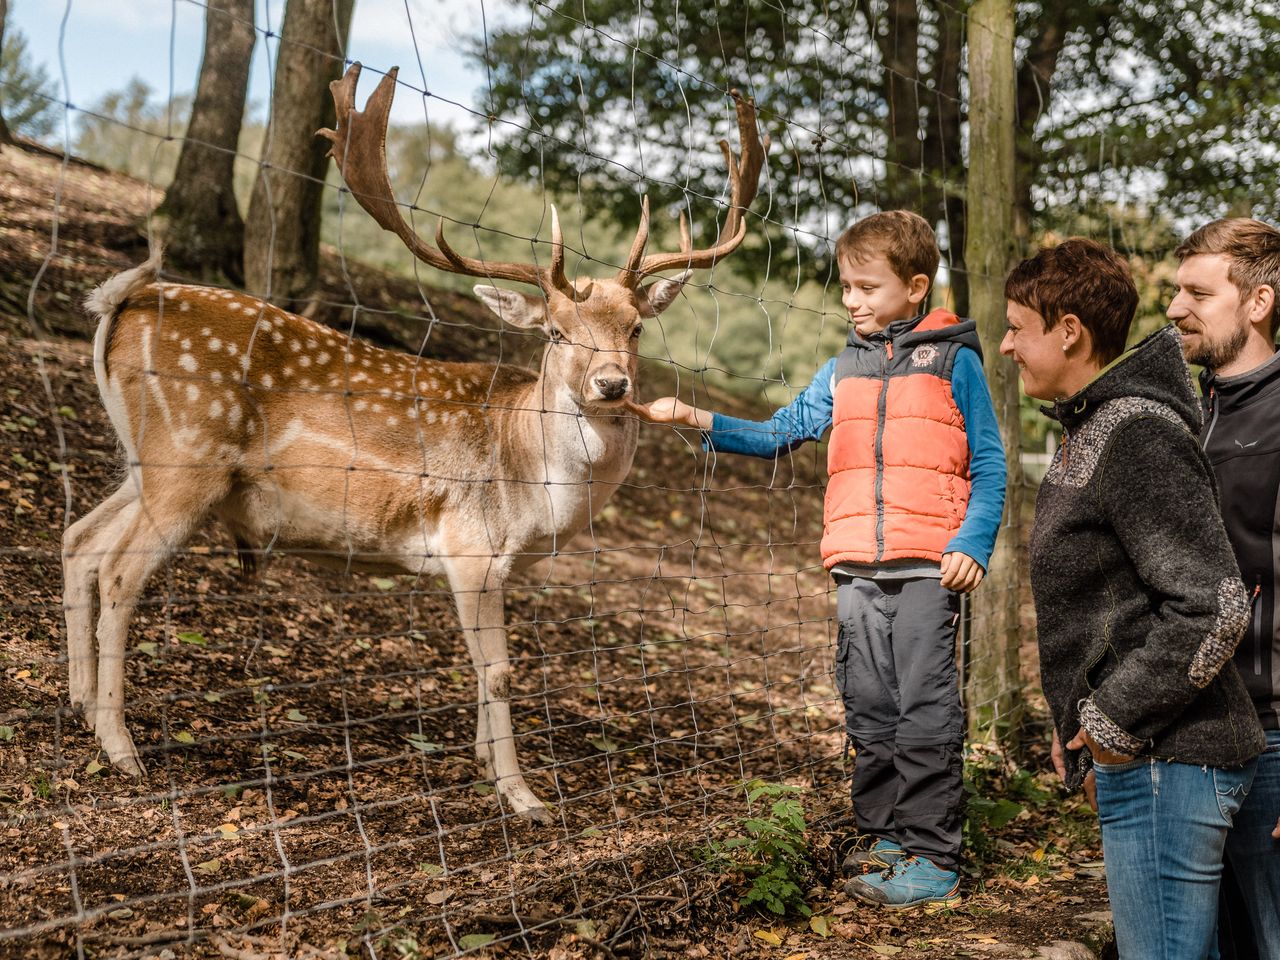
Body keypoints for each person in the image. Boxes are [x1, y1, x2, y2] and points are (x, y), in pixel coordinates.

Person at [628, 210, 1007, 907]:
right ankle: (886, 837)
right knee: (868, 706)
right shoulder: (842, 369)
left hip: (928, 567)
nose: (853, 300)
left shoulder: (956, 361)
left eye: (868, 287)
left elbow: (989, 462)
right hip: (856, 566)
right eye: (846, 287)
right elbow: (781, 433)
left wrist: (971, 545)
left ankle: (934, 855)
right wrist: (698, 420)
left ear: (916, 287)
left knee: (924, 709)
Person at [1003, 237, 1265, 960]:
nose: (1004, 345)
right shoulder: (1099, 421)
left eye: (1016, 326)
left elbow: (1213, 604)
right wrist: (1079, 726)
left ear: (1068, 331)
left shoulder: (1137, 432)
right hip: (1153, 761)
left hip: (1169, 760)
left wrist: (1112, 720)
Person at [1167, 217, 1280, 959]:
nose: (1175, 307)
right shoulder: (1181, 413)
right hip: (1187, 733)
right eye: (1176, 291)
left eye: (1197, 293)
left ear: (1260, 301)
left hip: (1273, 737)